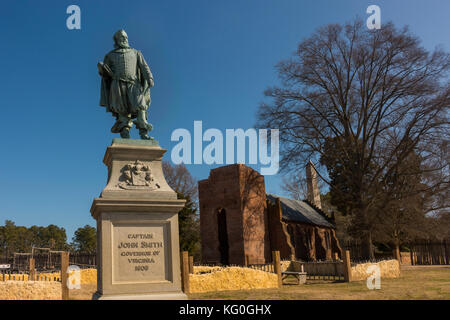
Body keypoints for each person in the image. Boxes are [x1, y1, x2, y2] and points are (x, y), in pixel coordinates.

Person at [98, 29, 155, 140]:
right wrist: (102, 69)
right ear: (117, 40)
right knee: (121, 109)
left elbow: (144, 67)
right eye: (122, 37)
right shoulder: (110, 55)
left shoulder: (136, 53)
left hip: (134, 84)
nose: (124, 39)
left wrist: (150, 78)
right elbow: (105, 73)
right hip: (117, 85)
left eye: (126, 37)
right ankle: (125, 133)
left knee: (140, 105)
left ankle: (144, 133)